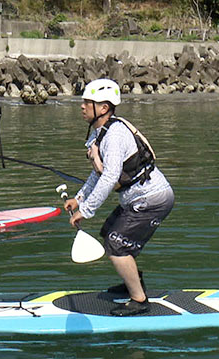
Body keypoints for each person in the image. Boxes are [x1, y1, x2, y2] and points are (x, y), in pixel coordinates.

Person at [64, 79, 174, 316]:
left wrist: (87, 210)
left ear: (103, 108)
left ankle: (139, 299)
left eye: (87, 102)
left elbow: (110, 176)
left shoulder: (114, 135)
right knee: (110, 233)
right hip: (137, 199)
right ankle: (133, 281)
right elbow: (97, 173)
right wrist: (79, 198)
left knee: (116, 244)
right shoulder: (100, 134)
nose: (82, 106)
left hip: (152, 199)